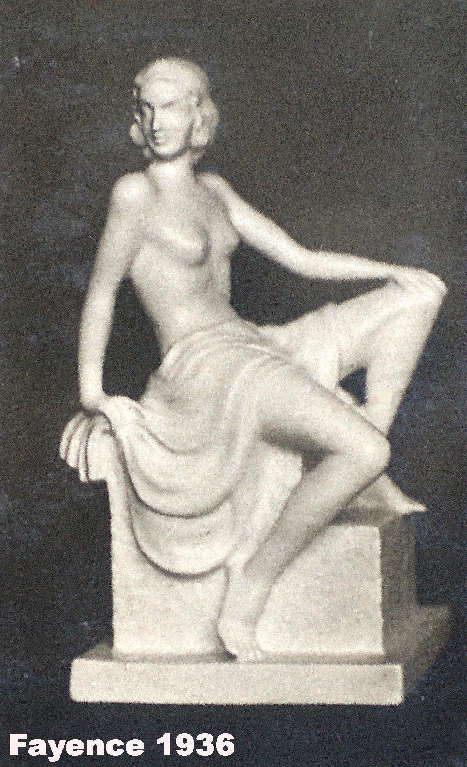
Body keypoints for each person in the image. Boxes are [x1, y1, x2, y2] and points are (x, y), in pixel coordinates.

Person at [61, 57, 446, 661]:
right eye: (148, 107)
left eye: (172, 105)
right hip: (205, 367)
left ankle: (350, 470)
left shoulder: (213, 191)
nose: (158, 121)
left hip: (256, 343)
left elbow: (301, 258)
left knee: (419, 297)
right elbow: (102, 295)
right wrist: (93, 392)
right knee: (366, 450)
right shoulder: (134, 194)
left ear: (198, 114)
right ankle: (252, 581)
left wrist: (394, 271)